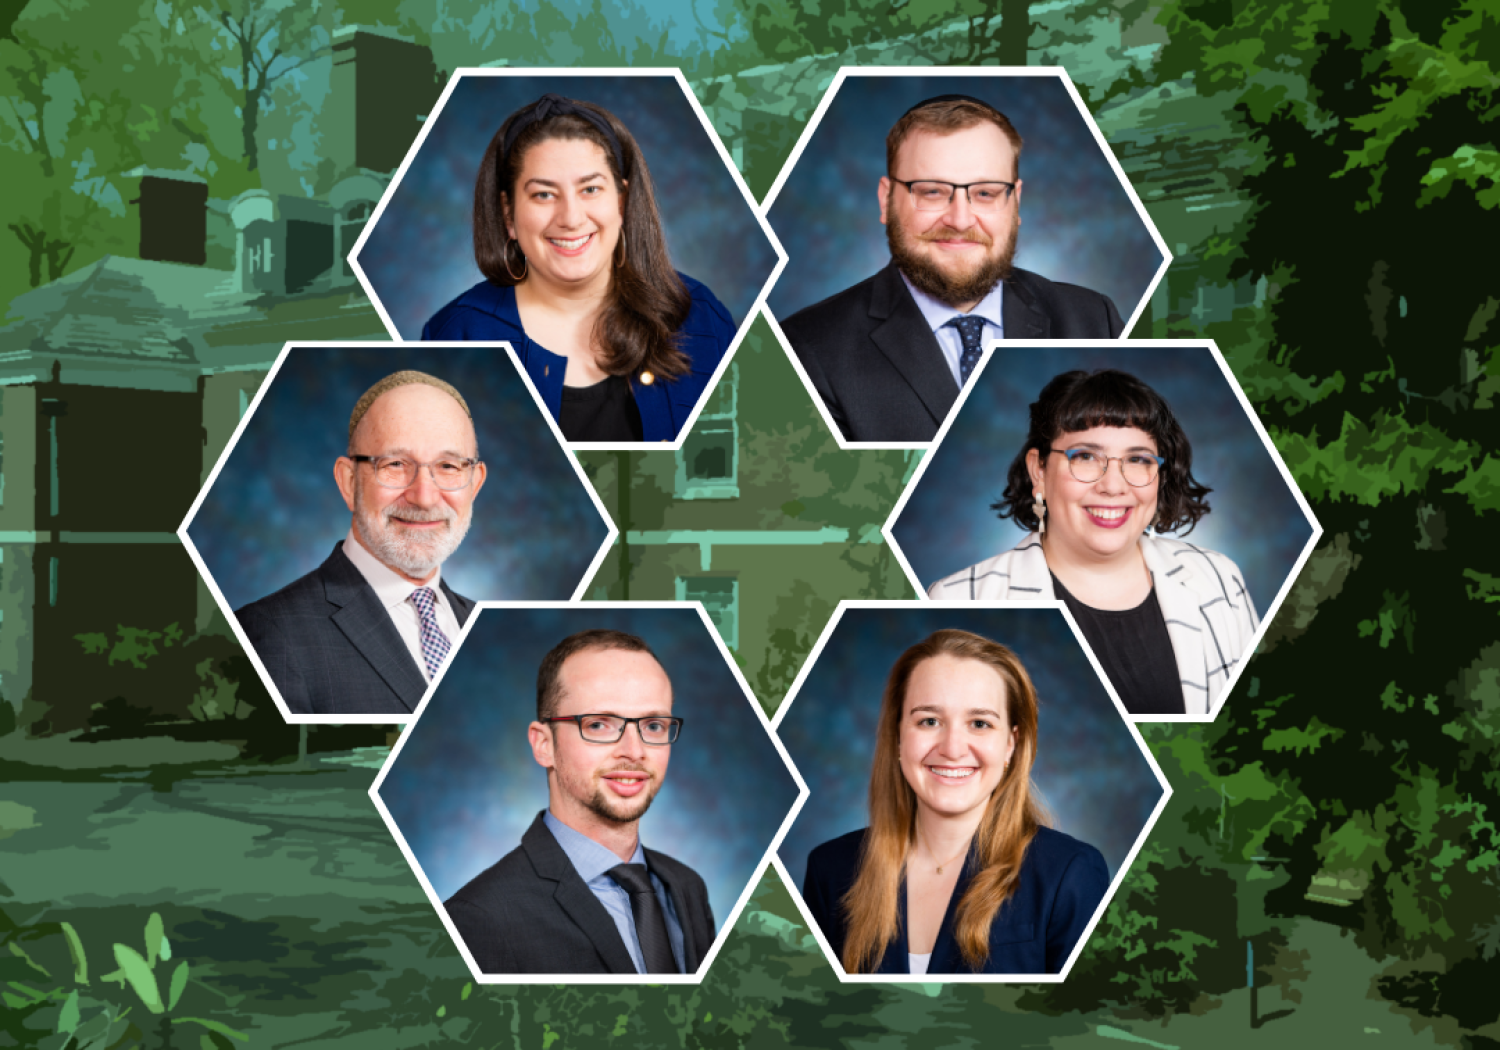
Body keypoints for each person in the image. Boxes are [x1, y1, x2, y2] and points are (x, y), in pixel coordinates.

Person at [779, 94, 1125, 444]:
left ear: (1015, 202)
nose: (960, 220)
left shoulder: (1094, 321)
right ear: (886, 200)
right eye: (931, 191)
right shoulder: (807, 352)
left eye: (986, 193)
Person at [926, 369, 1259, 717]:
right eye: (1085, 456)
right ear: (1038, 470)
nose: (1113, 486)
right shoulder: (959, 600)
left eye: (1138, 459)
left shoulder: (1219, 578)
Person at [422, 93, 736, 443]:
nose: (570, 218)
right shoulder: (457, 334)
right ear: (509, 214)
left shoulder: (701, 317)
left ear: (622, 201)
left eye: (590, 189)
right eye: (543, 194)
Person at [803, 629, 1109, 976]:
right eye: (929, 721)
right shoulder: (830, 870)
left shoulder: (1070, 873)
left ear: (1011, 743)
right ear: (898, 735)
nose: (952, 748)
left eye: (980, 723)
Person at [445, 629, 715, 975]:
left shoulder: (687, 887)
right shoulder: (478, 918)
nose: (634, 751)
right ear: (544, 744)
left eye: (653, 725)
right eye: (600, 724)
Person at [235, 371, 487, 716]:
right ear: (348, 480)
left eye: (448, 465)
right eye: (396, 464)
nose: (425, 497)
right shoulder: (269, 634)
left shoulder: (485, 626)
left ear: (474, 483)